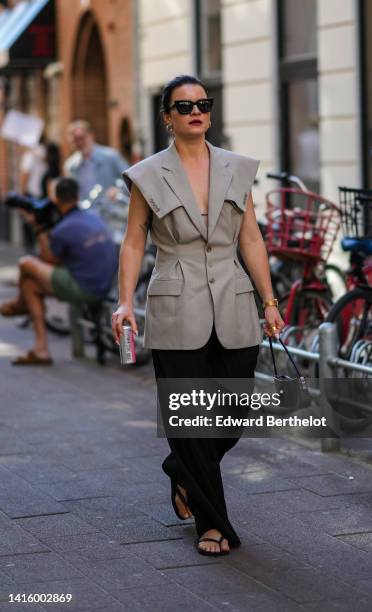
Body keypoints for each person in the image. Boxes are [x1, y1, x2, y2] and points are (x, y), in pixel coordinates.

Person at [111, 74, 284, 556]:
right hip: (174, 304)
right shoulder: (147, 174)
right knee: (191, 419)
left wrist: (269, 302)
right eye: (183, 106)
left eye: (202, 103)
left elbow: (250, 237)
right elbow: (133, 240)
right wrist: (125, 301)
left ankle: (181, 469)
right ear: (167, 117)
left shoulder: (238, 168)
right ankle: (213, 525)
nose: (195, 111)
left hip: (234, 300)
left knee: (232, 413)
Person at [0, 177, 117, 365]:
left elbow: (48, 261)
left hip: (86, 287)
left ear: (55, 198)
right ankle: (41, 350)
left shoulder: (63, 229)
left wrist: (39, 228)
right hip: (107, 283)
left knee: (26, 264)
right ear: (77, 196)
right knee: (29, 286)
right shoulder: (93, 216)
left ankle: (20, 305)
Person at [64, 120, 128, 200]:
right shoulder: (70, 165)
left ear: (91, 135)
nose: (80, 143)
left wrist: (118, 190)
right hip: (84, 210)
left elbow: (130, 179)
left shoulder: (111, 156)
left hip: (110, 210)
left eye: (82, 138)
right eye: (76, 140)